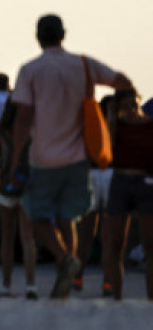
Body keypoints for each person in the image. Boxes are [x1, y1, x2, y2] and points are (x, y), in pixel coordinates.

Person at [9, 14, 132, 299]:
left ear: (37, 37)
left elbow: (23, 118)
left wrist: (17, 157)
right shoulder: (84, 65)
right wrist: (117, 114)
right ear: (63, 34)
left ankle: (65, 259)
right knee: (69, 218)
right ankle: (67, 271)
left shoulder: (30, 70)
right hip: (79, 158)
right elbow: (122, 81)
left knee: (37, 215)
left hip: (44, 157)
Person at [101, 89, 153, 300]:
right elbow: (108, 148)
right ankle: (117, 297)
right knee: (115, 243)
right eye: (126, 106)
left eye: (134, 104)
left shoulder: (150, 124)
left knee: (150, 244)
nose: (131, 110)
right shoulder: (117, 126)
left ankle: (151, 298)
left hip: (145, 183)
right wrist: (112, 116)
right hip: (121, 180)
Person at [0, 99, 39, 299]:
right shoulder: (35, 130)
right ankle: (30, 284)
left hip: (5, 187)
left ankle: (6, 283)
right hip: (29, 187)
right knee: (28, 239)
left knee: (7, 238)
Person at [74, 95, 115, 296]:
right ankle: (107, 282)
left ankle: (78, 276)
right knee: (107, 236)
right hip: (108, 175)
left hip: (91, 175)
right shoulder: (116, 128)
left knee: (86, 234)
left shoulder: (89, 127)